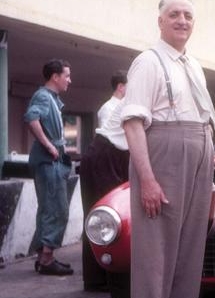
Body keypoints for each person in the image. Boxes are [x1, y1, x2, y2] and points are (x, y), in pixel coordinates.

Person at [120, 1, 215, 297]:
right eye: (174, 14)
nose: (182, 21)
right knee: (156, 253)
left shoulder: (194, 65)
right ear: (160, 21)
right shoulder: (148, 62)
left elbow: (204, 115)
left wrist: (207, 150)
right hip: (164, 156)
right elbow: (133, 124)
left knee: (190, 250)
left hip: (199, 156)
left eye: (188, 15)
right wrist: (147, 180)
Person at [79, 71, 129, 294]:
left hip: (108, 155)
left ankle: (98, 278)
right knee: (105, 219)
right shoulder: (119, 105)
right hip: (106, 156)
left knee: (101, 217)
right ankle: (100, 278)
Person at [24, 59, 74, 276]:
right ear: (55, 77)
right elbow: (31, 118)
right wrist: (49, 146)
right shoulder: (43, 96)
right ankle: (46, 259)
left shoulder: (51, 98)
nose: (69, 80)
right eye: (67, 76)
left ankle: (44, 257)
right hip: (48, 162)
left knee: (48, 208)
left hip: (50, 161)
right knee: (57, 209)